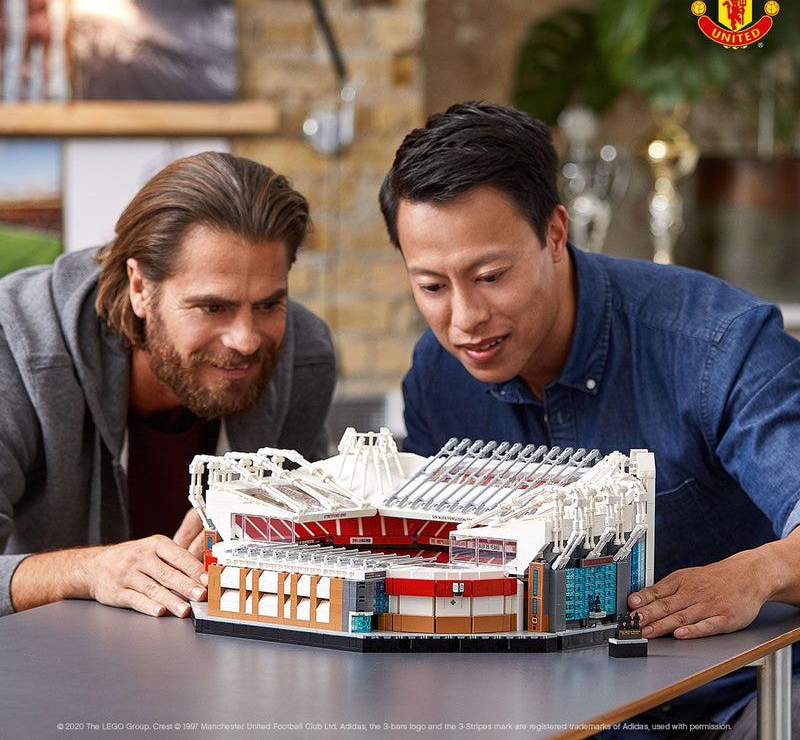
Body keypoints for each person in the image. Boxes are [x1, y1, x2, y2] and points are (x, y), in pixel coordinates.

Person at [379, 102, 800, 738]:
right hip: (557, 710)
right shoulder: (438, 376)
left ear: (554, 233)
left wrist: (758, 573)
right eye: (432, 287)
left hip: (752, 695)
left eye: (489, 276)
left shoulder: (716, 344)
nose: (464, 319)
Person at [0, 151, 336, 621]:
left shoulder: (302, 356)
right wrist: (87, 571)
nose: (246, 340)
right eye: (212, 308)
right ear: (140, 287)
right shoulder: (18, 345)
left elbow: (326, 551)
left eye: (268, 305)